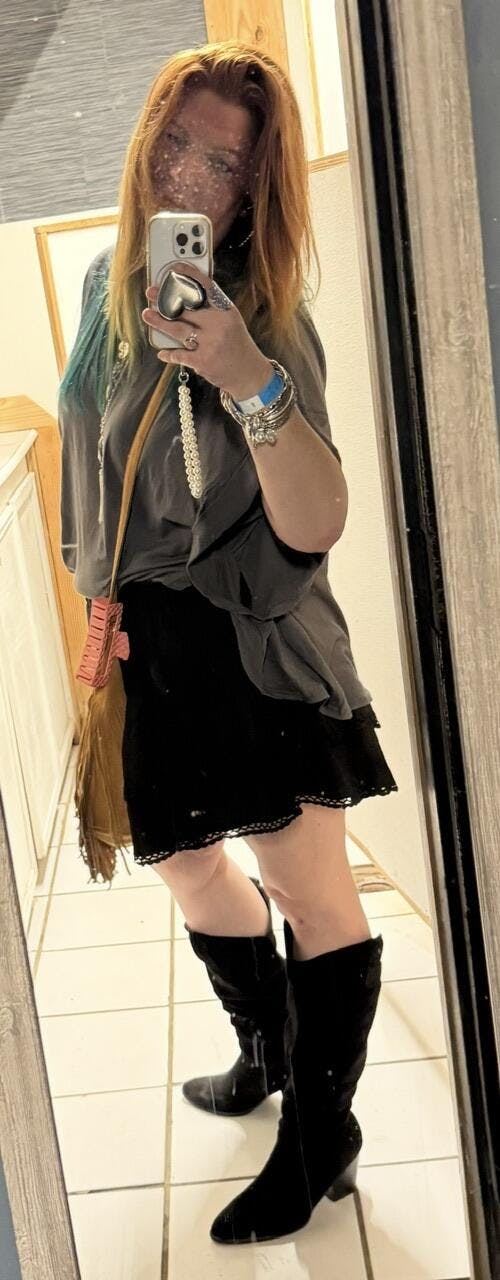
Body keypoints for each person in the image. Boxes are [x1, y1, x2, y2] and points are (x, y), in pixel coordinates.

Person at [58, 41, 398, 1246]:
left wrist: (243, 372)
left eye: (221, 163)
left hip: (257, 639)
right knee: (189, 864)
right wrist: (97, 606)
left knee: (308, 889)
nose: (186, 177)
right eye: (175, 144)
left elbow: (315, 520)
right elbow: (88, 468)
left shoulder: (267, 316)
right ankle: (267, 1047)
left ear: (253, 189)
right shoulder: (107, 290)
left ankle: (320, 1134)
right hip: (155, 645)